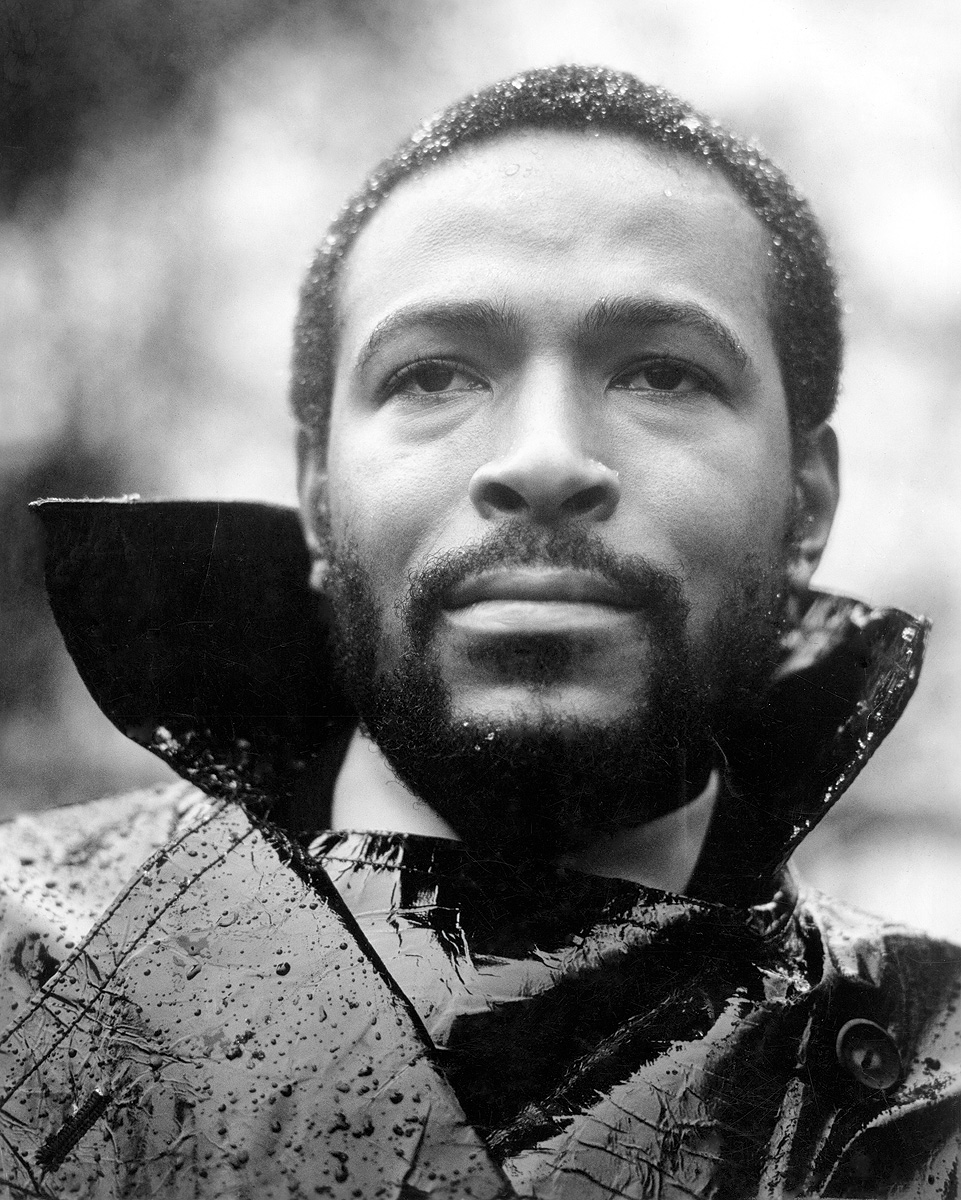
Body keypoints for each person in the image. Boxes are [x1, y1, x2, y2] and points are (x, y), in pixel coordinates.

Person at [0, 64, 957, 1199]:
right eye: (433, 374)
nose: (544, 459)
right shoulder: (24, 964)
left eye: (662, 373)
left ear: (805, 503)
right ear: (317, 496)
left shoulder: (936, 1092)